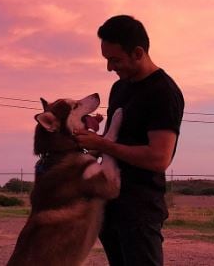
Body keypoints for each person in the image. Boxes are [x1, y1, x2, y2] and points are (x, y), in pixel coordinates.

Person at [74, 15, 184, 266]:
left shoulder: (163, 92)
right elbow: (115, 144)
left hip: (139, 212)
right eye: (106, 60)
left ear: (137, 52)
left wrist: (102, 144)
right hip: (111, 206)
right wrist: (93, 139)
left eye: (115, 60)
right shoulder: (120, 88)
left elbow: (159, 158)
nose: (109, 68)